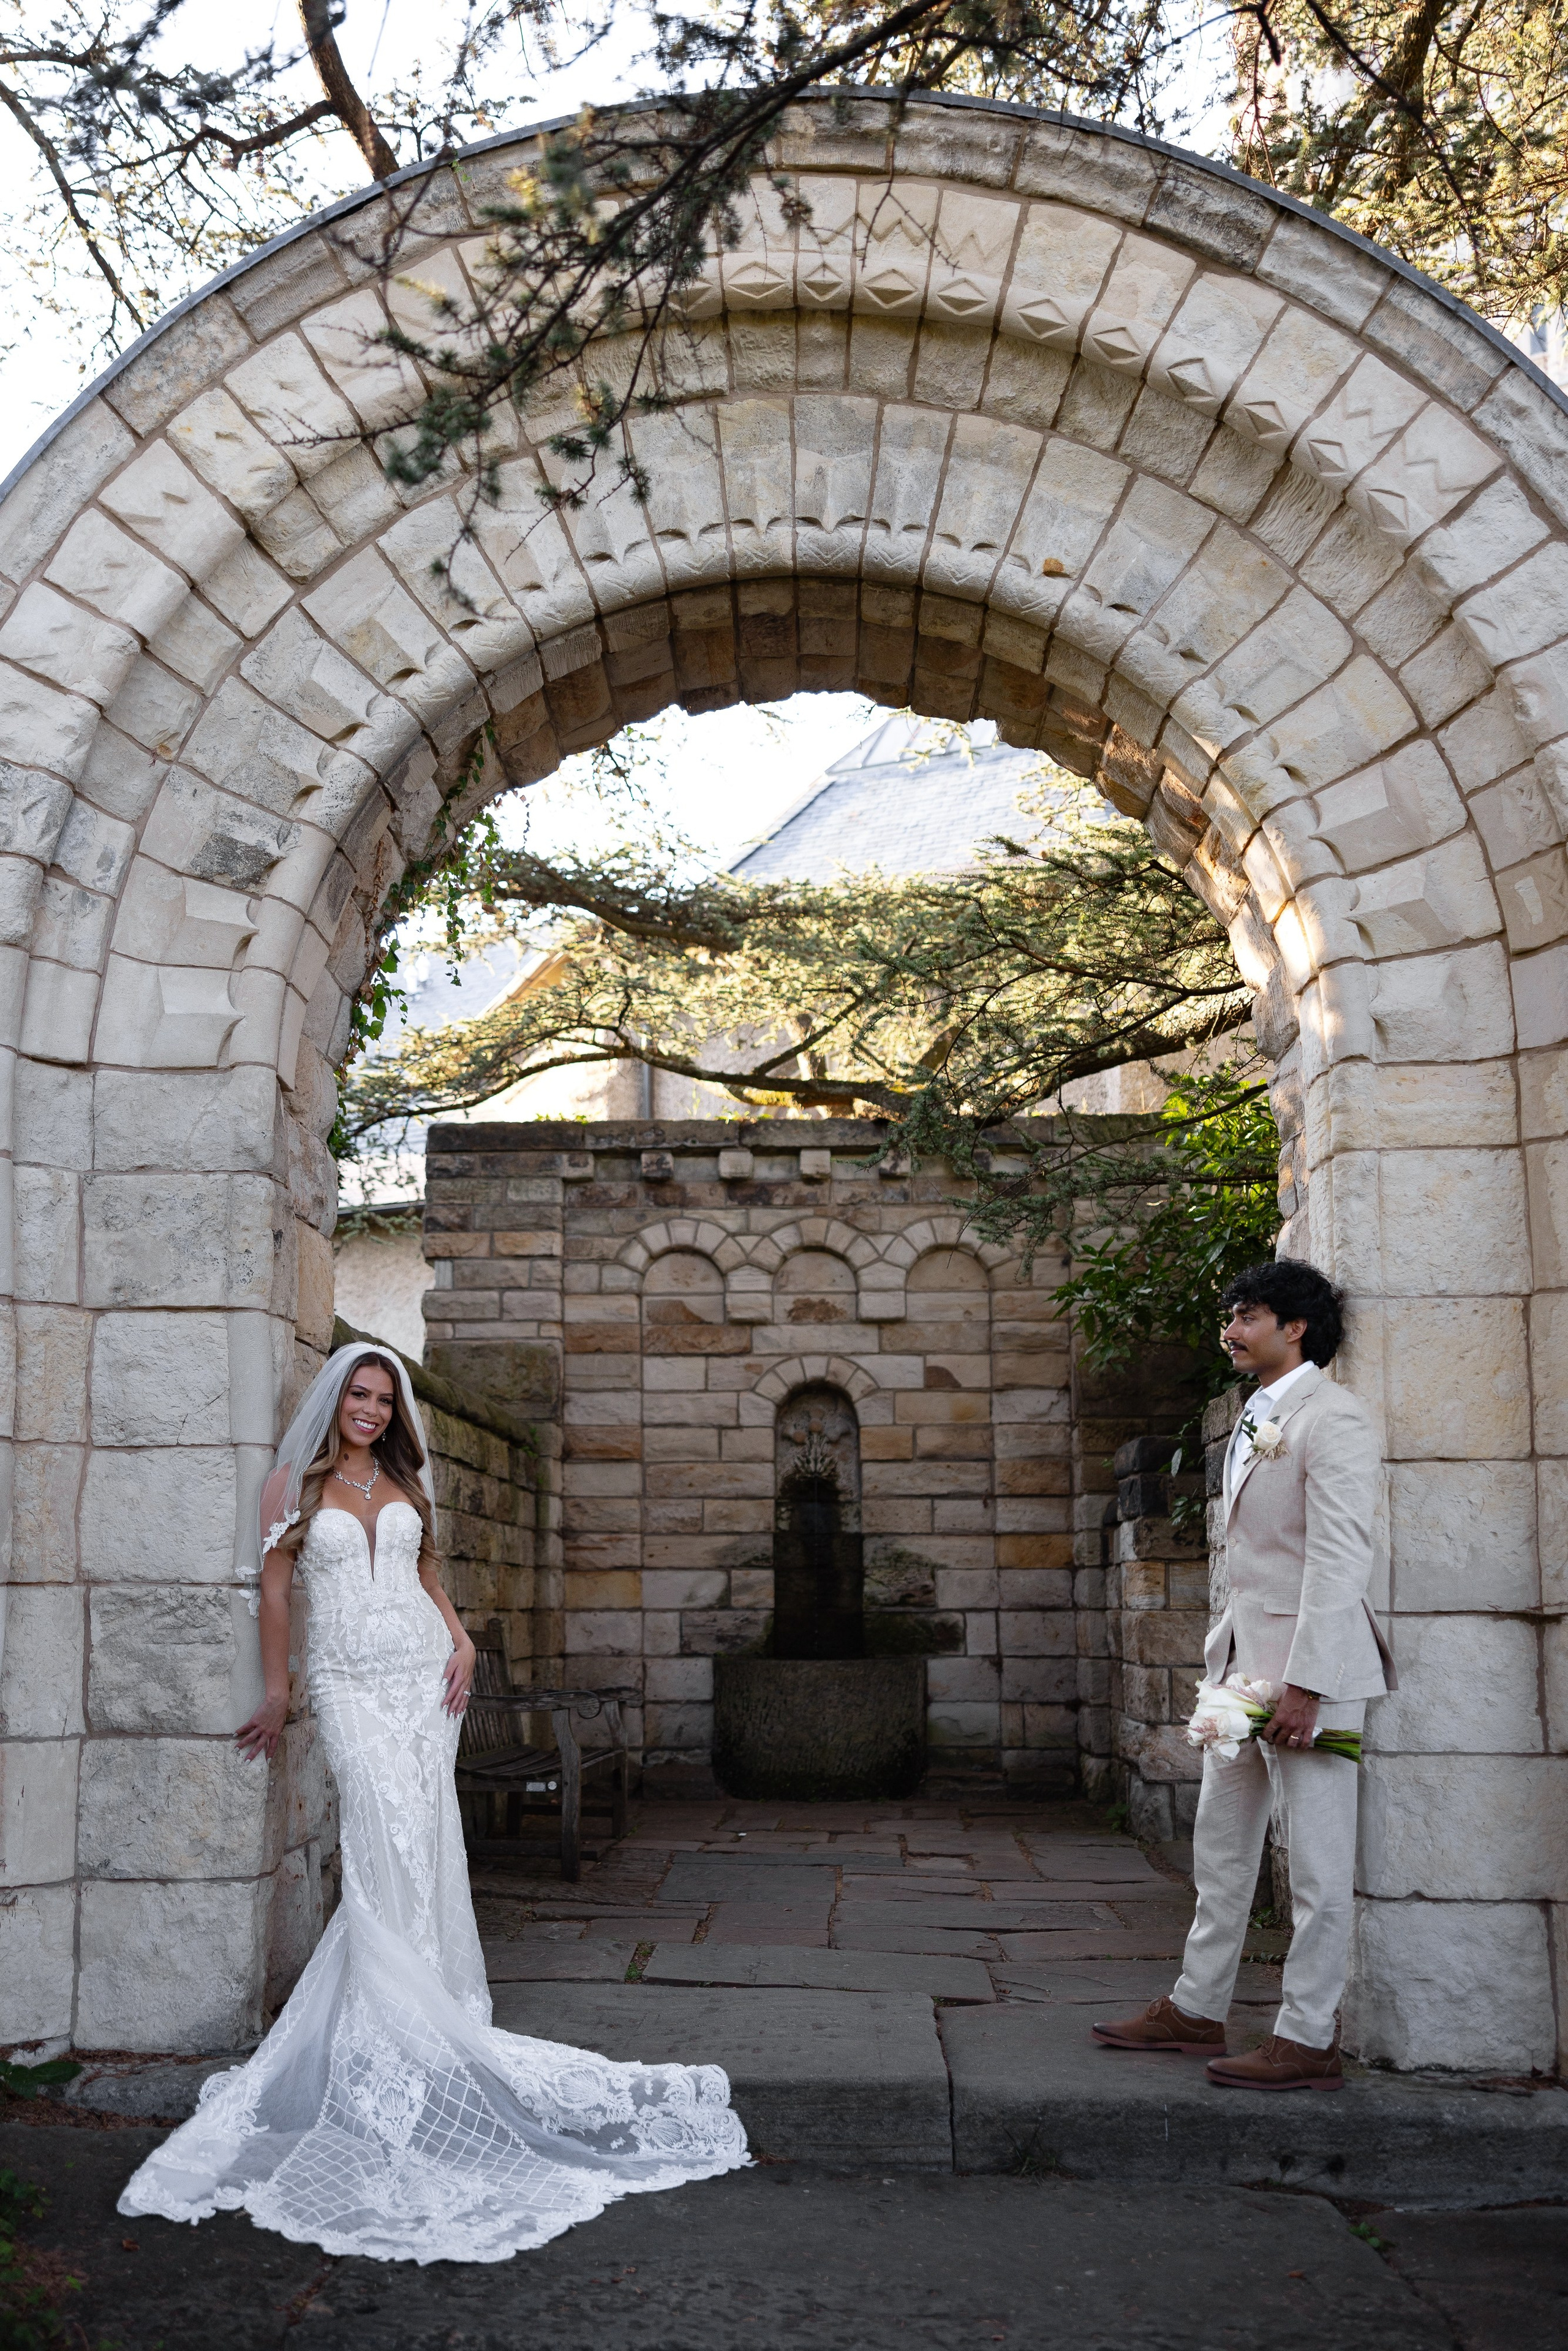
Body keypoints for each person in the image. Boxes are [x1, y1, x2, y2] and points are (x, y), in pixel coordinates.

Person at [120, 1342, 747, 2261]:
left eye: (382, 1399)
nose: (370, 1411)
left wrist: (461, 1643)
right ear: (336, 1401)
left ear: (394, 1412)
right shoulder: (292, 1482)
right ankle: (394, 2040)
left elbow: (426, 1578)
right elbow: (277, 1585)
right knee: (379, 1842)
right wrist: (280, 1690)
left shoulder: (409, 1482)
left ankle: (426, 2026)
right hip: (347, 1686)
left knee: (426, 1840)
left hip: (424, 1680)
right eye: (358, 1396)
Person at [1091, 1260, 1393, 2092]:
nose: (1230, 1328)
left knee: (1319, 1865)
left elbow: (1339, 1560)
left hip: (1311, 1672)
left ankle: (1306, 2035)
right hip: (1238, 1663)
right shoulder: (1259, 1415)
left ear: (1295, 1326)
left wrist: (1305, 1683)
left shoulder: (1334, 1420)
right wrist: (1224, 1664)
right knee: (1220, 1847)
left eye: (1246, 1315)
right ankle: (1197, 2004)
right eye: (1230, 1314)